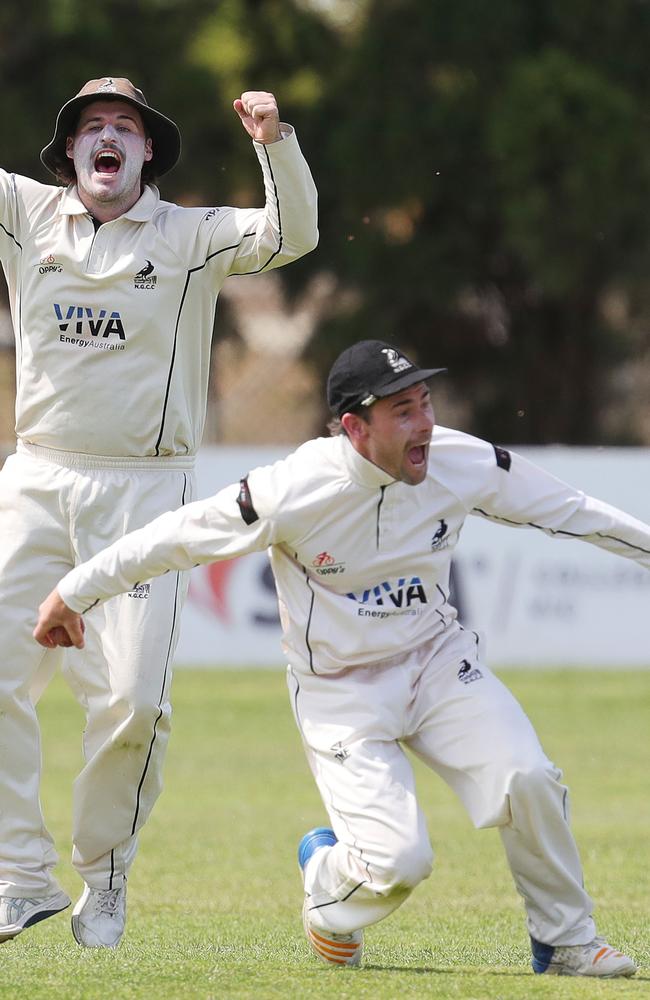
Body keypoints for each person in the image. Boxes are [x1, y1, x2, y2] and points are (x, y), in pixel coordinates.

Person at [33, 340, 642, 978]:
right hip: (340, 692)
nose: (425, 423)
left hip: (437, 660)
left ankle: (566, 940)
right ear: (355, 427)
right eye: (403, 411)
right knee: (401, 865)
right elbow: (174, 537)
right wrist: (72, 592)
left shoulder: (459, 460)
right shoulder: (292, 488)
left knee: (528, 777)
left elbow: (575, 513)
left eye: (426, 402)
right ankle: (327, 881)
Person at [0, 76, 317, 949]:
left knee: (135, 704)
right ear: (69, 153)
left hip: (145, 489)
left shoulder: (189, 236)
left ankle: (102, 879)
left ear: (147, 154)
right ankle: (18, 877)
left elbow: (294, 234)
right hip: (35, 477)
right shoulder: (27, 216)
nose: (107, 137)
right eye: (91, 127)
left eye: (125, 129)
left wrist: (272, 139)